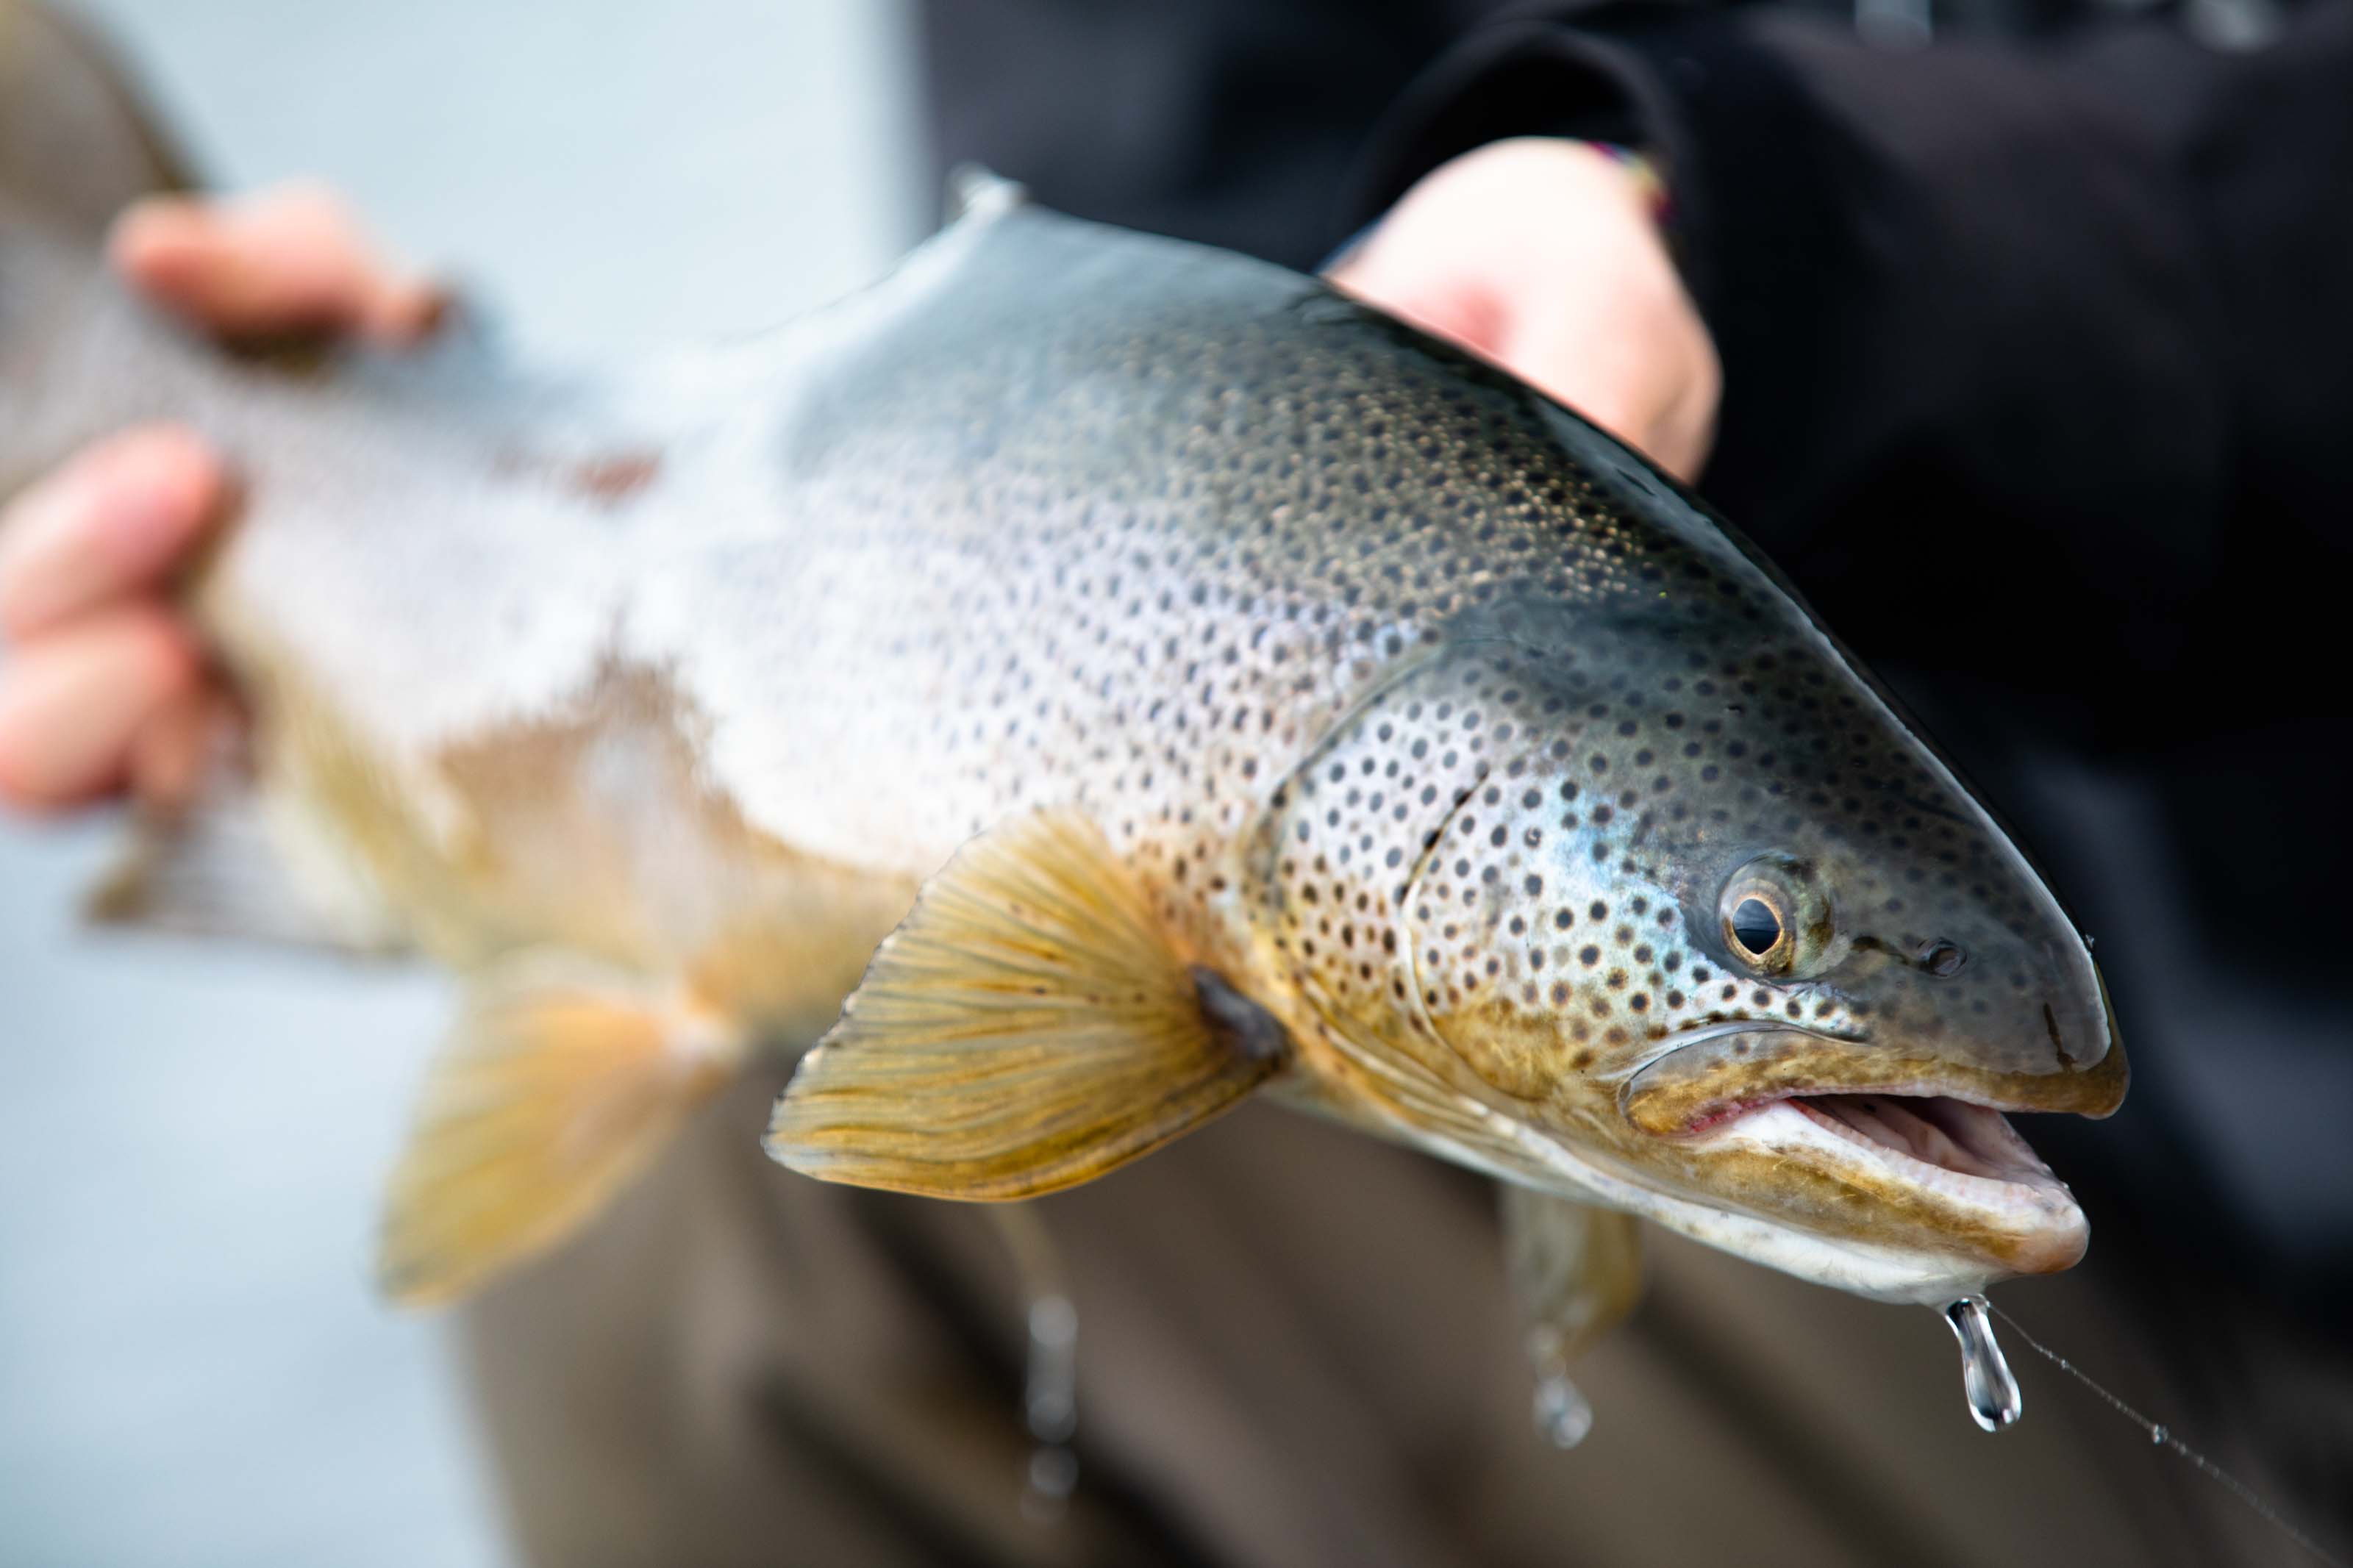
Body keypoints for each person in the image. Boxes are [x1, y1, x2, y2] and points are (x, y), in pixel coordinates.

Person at [3, 1, 2348, 1563]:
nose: (1751, 957)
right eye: (1749, 941)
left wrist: (1786, 242)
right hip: (2145, 1182)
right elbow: (1123, 312)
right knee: (717, 1230)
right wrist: (449, 424)